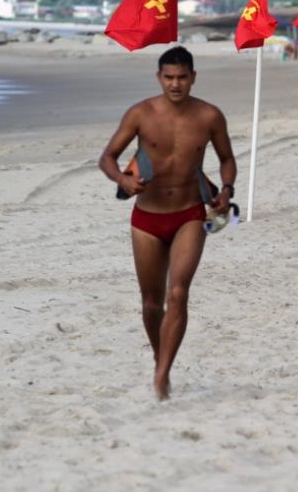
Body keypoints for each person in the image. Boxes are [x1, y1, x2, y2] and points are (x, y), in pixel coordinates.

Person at [99, 46, 237, 401]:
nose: (175, 84)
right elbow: (108, 157)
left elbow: (226, 159)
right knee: (150, 302)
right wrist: (122, 181)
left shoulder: (209, 116)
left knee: (178, 293)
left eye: (182, 77)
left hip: (190, 213)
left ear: (193, 77)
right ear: (159, 77)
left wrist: (225, 189)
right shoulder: (141, 114)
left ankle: (162, 376)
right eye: (169, 77)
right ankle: (161, 357)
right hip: (146, 218)